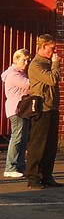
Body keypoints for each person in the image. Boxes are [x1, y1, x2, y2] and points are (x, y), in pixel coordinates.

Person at [24, 34, 63, 189]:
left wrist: (54, 65)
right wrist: (55, 65)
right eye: (52, 48)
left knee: (50, 145)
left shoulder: (48, 63)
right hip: (42, 108)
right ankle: (33, 177)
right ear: (43, 46)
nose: (54, 51)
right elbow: (52, 79)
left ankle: (47, 176)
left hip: (52, 108)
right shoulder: (36, 64)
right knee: (38, 144)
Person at [2, 48, 32, 178]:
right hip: (17, 109)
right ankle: (10, 167)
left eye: (27, 60)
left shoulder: (19, 73)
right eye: (23, 60)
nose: (26, 63)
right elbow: (30, 85)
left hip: (22, 110)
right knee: (17, 138)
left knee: (23, 138)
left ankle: (20, 166)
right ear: (16, 59)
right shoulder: (14, 75)